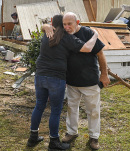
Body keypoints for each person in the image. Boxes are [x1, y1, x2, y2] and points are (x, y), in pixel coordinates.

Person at [27, 14, 99, 151]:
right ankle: (54, 142)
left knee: (39, 106)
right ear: (63, 25)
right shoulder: (67, 38)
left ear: (52, 24)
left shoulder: (46, 35)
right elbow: (87, 48)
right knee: (55, 111)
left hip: (40, 76)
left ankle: (33, 137)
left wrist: (45, 26)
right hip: (56, 78)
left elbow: (45, 27)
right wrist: (95, 35)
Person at [44, 12, 110, 150]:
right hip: (72, 81)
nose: (67, 27)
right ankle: (72, 132)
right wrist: (45, 26)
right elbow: (45, 27)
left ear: (77, 22)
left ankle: (94, 136)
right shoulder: (63, 34)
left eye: (70, 24)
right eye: (64, 24)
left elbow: (100, 54)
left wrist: (104, 74)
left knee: (93, 111)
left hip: (90, 81)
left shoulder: (87, 33)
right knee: (72, 108)